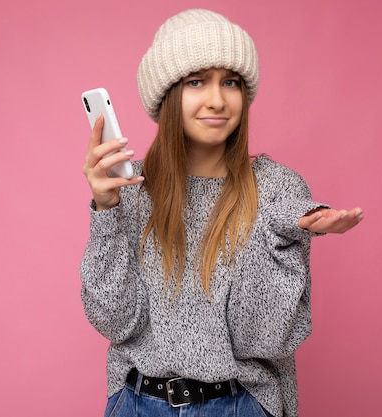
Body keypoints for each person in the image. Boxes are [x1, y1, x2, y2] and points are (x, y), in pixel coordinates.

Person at [80, 8, 364, 417]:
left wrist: (277, 234)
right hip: (137, 404)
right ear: (167, 95)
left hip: (237, 404)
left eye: (230, 82)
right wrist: (106, 212)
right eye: (197, 81)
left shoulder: (278, 189)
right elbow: (116, 322)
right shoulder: (130, 187)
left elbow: (262, 340)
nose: (217, 99)